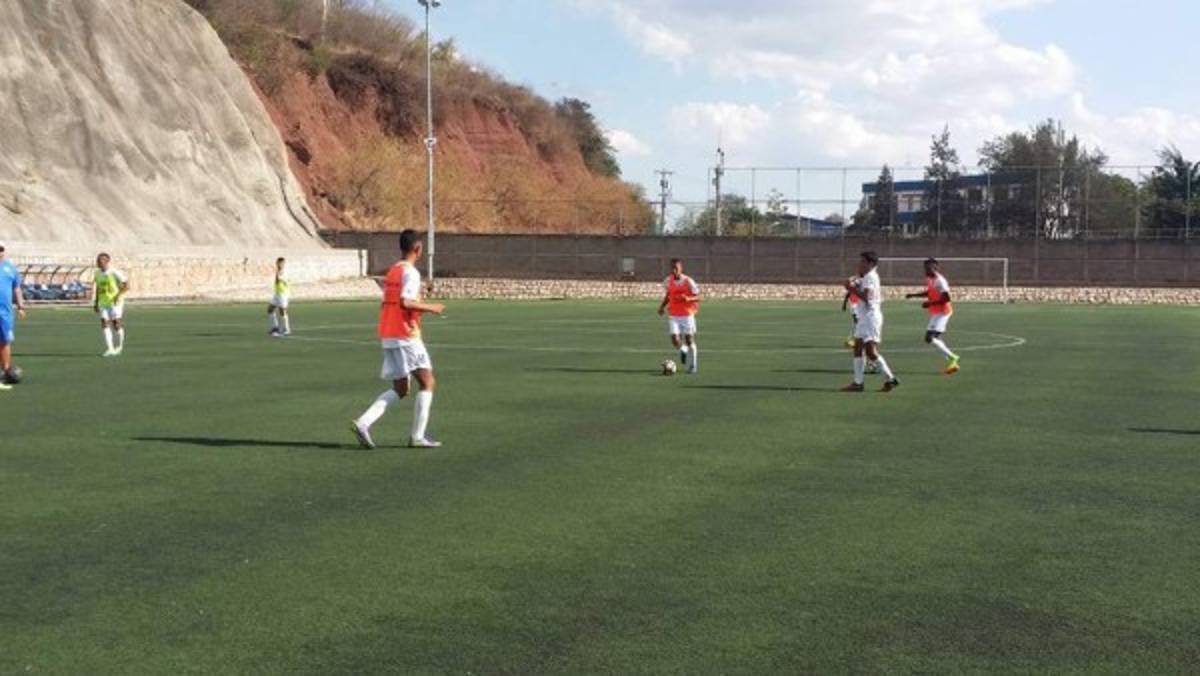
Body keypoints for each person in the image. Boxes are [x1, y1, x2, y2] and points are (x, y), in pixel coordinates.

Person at [352, 230, 445, 449]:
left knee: (402, 388)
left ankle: (363, 423)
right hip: (405, 335)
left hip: (389, 333)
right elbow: (405, 302)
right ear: (418, 249)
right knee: (428, 382)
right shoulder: (410, 273)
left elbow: (390, 302)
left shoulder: (393, 271)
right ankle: (418, 436)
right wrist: (432, 308)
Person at [842, 251, 900, 392]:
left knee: (870, 351)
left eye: (862, 261)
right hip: (865, 317)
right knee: (858, 347)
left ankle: (890, 379)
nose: (860, 264)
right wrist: (854, 283)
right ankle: (858, 383)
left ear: (871, 264)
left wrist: (851, 288)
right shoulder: (867, 276)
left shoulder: (870, 277)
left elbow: (866, 297)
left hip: (870, 317)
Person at [905, 258, 961, 374]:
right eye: (925, 268)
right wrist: (913, 295)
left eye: (928, 268)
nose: (925, 270)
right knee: (933, 339)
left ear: (935, 268)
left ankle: (953, 358)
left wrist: (930, 303)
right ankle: (952, 363)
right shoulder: (930, 279)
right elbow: (929, 292)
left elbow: (947, 298)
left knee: (930, 338)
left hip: (943, 312)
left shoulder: (940, 281)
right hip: (936, 312)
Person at [657, 258, 701, 374]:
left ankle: (693, 366)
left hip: (687, 315)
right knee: (675, 341)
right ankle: (683, 350)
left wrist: (689, 298)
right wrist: (662, 307)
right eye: (672, 268)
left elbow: (699, 297)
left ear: (681, 268)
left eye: (676, 268)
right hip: (674, 315)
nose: (674, 270)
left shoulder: (688, 281)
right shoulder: (668, 280)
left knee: (689, 340)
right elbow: (668, 295)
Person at [0, 242, 28, 391]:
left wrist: (21, 306)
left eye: (1, 249)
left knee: (5, 341)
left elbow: (16, 289)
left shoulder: (10, 268)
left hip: (5, 312)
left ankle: (5, 371)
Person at [92, 253, 129, 357]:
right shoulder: (97, 273)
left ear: (107, 261)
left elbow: (127, 285)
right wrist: (96, 302)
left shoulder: (114, 272)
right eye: (98, 260)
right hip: (103, 302)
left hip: (115, 302)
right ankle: (110, 348)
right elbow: (99, 288)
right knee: (104, 322)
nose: (99, 262)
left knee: (116, 324)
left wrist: (118, 295)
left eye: (101, 260)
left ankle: (120, 346)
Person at [268, 257, 291, 337]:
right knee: (270, 309)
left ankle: (286, 329)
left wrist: (278, 273)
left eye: (280, 263)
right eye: (277, 263)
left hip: (283, 293)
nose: (278, 264)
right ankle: (275, 327)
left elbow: (278, 280)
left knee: (282, 311)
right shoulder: (279, 271)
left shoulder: (283, 272)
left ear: (283, 264)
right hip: (277, 293)